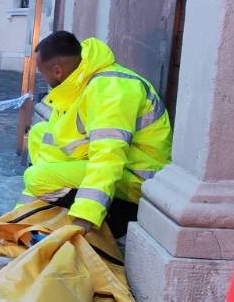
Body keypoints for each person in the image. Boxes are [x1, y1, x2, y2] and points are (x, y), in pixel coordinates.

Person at [20, 30, 171, 238]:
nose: (41, 77)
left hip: (135, 185)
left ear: (57, 71)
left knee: (36, 178)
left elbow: (108, 156)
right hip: (123, 170)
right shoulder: (82, 80)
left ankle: (82, 215)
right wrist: (20, 212)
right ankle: (35, 215)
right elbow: (59, 138)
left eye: (41, 72)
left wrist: (86, 217)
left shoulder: (110, 89)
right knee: (39, 133)